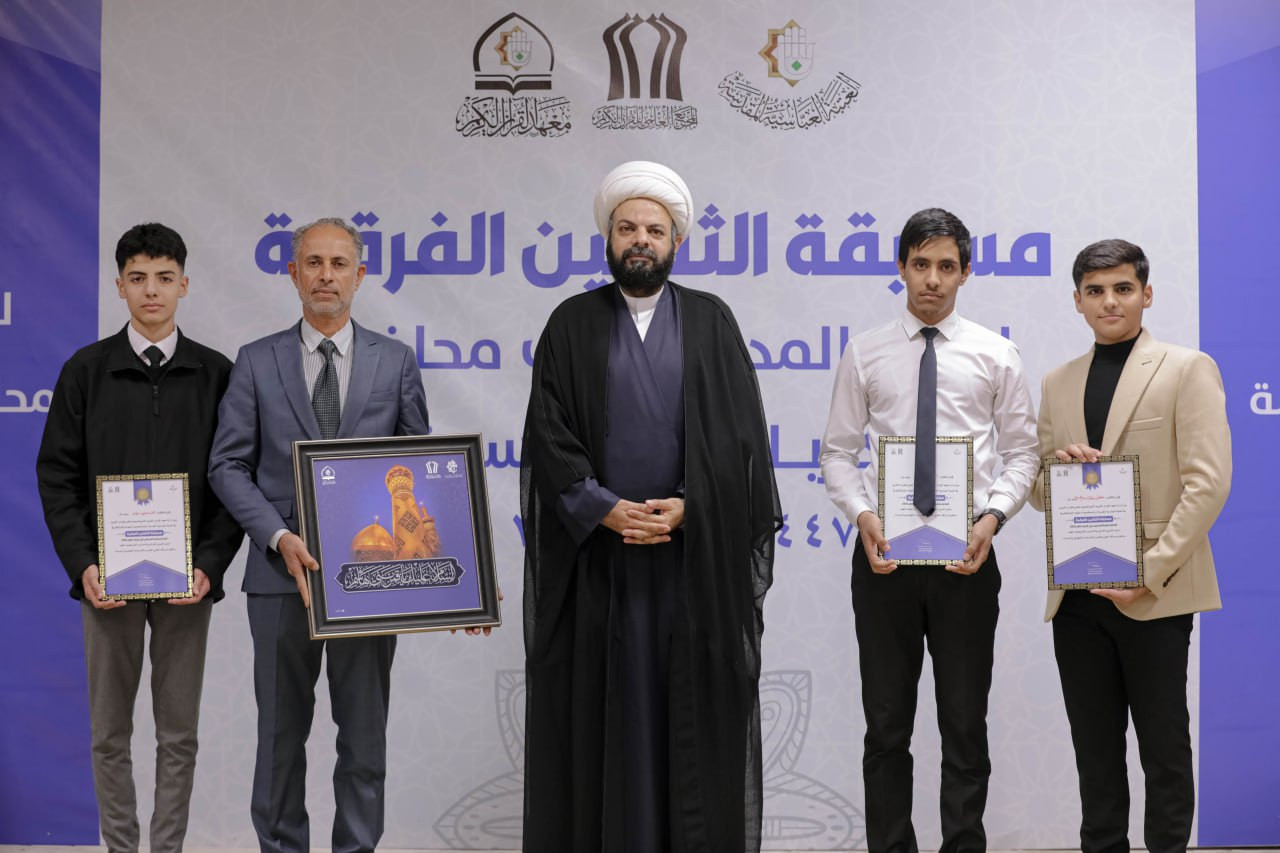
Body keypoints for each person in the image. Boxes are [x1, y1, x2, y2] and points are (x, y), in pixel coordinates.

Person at [520, 160, 781, 853]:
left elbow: (740, 443)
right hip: (599, 568)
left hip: (691, 572)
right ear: (607, 238)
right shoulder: (571, 324)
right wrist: (601, 507)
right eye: (627, 227)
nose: (641, 239)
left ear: (676, 242)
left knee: (690, 722)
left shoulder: (711, 321)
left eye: (654, 230)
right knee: (604, 720)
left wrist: (692, 505)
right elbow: (548, 435)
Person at [819, 208, 1040, 852]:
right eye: (920, 265)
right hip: (883, 559)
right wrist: (862, 515)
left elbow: (1022, 453)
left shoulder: (996, 354)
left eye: (946, 266)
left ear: (966, 272)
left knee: (965, 724)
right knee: (886, 728)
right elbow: (837, 453)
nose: (932, 280)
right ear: (901, 268)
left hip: (965, 561)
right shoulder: (865, 352)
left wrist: (992, 518)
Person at [207, 217, 429, 853]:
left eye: (339, 264)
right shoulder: (256, 360)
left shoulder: (396, 361)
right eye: (313, 263)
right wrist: (278, 536)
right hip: (281, 576)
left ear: (360, 275)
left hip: (371, 577)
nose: (326, 276)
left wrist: (456, 575)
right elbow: (227, 465)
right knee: (280, 738)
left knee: (363, 739)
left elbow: (418, 467)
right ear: (293, 273)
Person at [36, 223, 244, 853]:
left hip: (188, 584)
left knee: (178, 735)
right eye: (138, 278)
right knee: (109, 734)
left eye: (163, 278)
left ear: (184, 284)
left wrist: (210, 563)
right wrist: (83, 564)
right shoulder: (86, 371)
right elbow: (56, 474)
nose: (151, 290)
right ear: (119, 286)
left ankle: (167, 849)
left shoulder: (216, 373)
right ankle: (122, 849)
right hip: (108, 583)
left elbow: (234, 477)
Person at [1029, 239, 1230, 853]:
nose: (1109, 301)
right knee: (1094, 755)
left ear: (1147, 294)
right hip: (1077, 594)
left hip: (1155, 592)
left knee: (1164, 749)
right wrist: (1060, 470)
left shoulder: (1186, 368)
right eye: (1095, 291)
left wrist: (1151, 570)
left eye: (1122, 288)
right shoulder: (1058, 381)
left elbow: (1208, 483)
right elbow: (1037, 490)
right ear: (1077, 301)